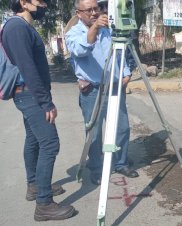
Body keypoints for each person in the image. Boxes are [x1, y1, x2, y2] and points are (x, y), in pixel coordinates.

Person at [1, 0, 75, 221]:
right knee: (50, 143)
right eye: (40, 0)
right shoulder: (16, 27)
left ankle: (34, 185)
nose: (44, 4)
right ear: (23, 2)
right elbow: (27, 66)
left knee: (33, 139)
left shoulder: (24, 26)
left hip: (29, 93)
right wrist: (45, 102)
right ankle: (44, 204)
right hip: (29, 94)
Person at [65, 0, 139, 185]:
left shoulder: (108, 30)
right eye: (88, 10)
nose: (93, 13)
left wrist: (127, 73)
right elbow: (81, 50)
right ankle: (97, 168)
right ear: (78, 13)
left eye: (96, 9)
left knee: (122, 128)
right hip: (92, 90)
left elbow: (120, 54)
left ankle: (120, 162)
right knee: (95, 134)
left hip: (114, 87)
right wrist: (95, 28)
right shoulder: (74, 33)